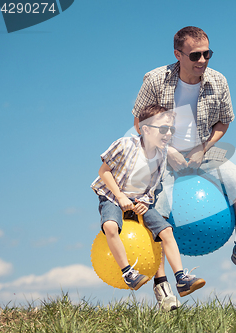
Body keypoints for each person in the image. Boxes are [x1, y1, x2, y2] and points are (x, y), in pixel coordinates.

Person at [132, 26, 236, 285]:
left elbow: (224, 123)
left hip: (203, 153)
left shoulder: (219, 81)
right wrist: (167, 152)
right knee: (157, 210)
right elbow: (138, 122)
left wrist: (202, 148)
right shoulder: (155, 79)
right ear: (178, 55)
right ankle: (162, 283)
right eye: (195, 56)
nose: (202, 61)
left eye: (207, 54)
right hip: (161, 156)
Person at [91, 104, 205, 311]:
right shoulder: (125, 145)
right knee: (110, 226)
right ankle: (128, 273)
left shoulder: (161, 155)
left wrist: (145, 201)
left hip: (140, 201)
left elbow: (153, 185)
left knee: (167, 231)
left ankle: (181, 279)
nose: (168, 133)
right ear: (145, 129)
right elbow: (103, 172)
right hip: (113, 196)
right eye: (163, 129)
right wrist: (120, 197)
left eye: (171, 129)